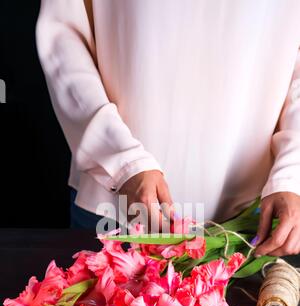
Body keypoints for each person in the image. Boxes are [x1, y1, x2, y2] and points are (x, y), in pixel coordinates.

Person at [36, 0, 300, 256]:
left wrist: (292, 173)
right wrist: (121, 160)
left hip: (255, 214)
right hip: (116, 202)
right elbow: (62, 34)